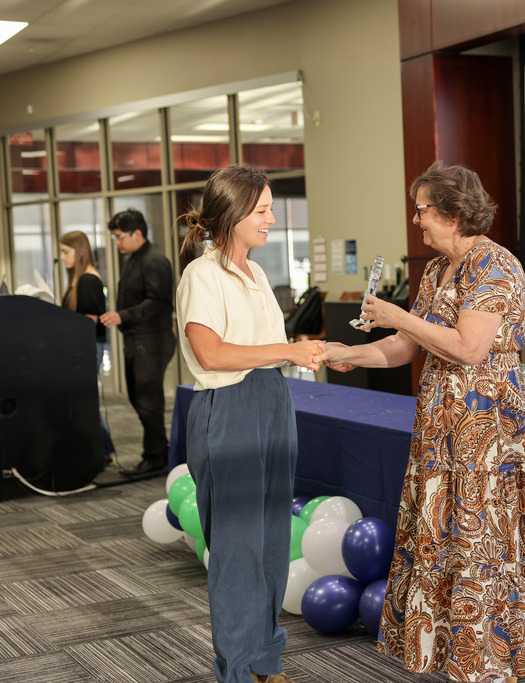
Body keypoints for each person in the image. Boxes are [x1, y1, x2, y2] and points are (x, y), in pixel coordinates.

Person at [317, 162, 525, 683]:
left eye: (422, 209)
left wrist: (398, 316)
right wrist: (349, 354)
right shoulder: (435, 270)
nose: (416, 219)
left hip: (484, 427)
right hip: (440, 424)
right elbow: (407, 345)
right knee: (445, 533)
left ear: (452, 212)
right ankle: (453, 651)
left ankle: (485, 659)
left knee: (478, 536)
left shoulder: (495, 264)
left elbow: (468, 348)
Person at [175, 164, 322, 683]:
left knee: (270, 543)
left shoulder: (256, 274)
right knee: (237, 549)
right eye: (262, 210)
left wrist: (304, 352)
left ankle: (265, 660)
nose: (271, 219)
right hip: (228, 407)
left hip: (271, 400)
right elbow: (211, 354)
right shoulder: (201, 275)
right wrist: (288, 350)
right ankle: (237, 670)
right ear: (234, 214)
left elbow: (264, 349)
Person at [100, 209, 176, 476]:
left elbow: (157, 303)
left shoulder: (154, 261)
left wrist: (122, 315)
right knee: (138, 398)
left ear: (138, 234)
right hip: (137, 339)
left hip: (152, 341)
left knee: (148, 401)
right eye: (115, 237)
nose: (117, 242)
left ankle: (155, 457)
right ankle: (159, 451)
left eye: (120, 237)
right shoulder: (134, 258)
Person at [58, 230, 115, 464]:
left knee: (84, 399)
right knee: (84, 399)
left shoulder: (88, 280)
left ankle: (100, 450)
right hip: (84, 346)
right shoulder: (79, 280)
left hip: (88, 346)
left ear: (79, 252)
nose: (62, 257)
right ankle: (101, 449)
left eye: (65, 252)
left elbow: (90, 319)